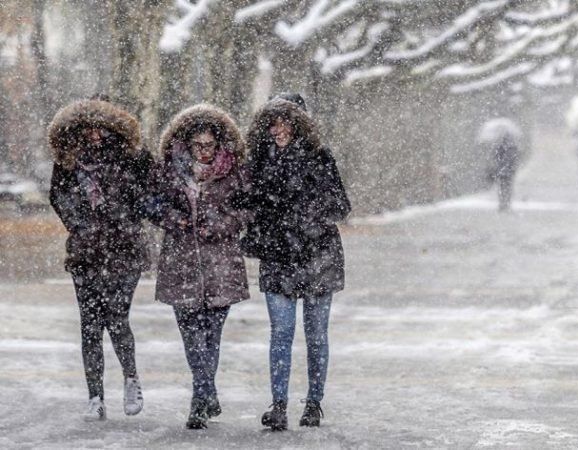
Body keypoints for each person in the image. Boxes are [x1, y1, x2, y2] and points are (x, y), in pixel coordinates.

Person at [241, 97, 351, 431]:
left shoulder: (320, 157)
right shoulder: (258, 160)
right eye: (272, 123)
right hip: (278, 257)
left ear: (299, 123)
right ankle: (278, 405)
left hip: (318, 256)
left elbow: (340, 206)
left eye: (285, 122)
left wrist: (307, 213)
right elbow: (246, 202)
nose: (278, 130)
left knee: (316, 335)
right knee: (281, 333)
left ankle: (314, 404)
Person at [48, 97, 152, 420]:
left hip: (125, 252)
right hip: (85, 254)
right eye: (88, 126)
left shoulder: (132, 156)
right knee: (90, 326)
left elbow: (148, 192)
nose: (94, 133)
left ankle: (131, 377)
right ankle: (95, 397)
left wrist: (125, 218)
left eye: (101, 126)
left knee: (116, 317)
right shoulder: (69, 159)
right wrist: (79, 223)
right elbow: (58, 195)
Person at [147, 104, 250, 429]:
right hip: (181, 265)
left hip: (221, 265)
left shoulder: (234, 171)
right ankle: (204, 393)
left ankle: (201, 397)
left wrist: (222, 223)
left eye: (209, 145)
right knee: (191, 337)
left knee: (211, 336)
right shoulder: (168, 171)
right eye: (197, 145)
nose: (204, 152)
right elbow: (151, 203)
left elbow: (249, 209)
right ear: (186, 144)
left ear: (219, 144)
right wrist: (173, 219)